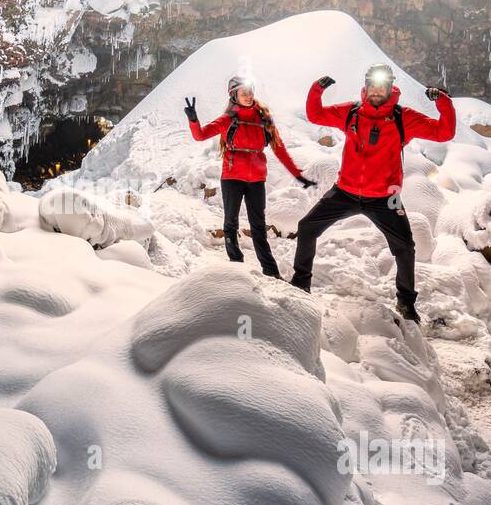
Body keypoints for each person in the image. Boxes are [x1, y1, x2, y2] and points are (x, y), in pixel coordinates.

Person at [290, 62, 455, 322]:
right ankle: (300, 284)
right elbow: (316, 115)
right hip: (344, 191)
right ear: (366, 88)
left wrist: (443, 103)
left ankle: (406, 303)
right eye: (372, 86)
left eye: (382, 86)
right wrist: (316, 90)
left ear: (390, 89)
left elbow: (444, 132)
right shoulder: (351, 113)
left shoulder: (403, 117)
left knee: (405, 248)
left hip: (384, 199)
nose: (377, 91)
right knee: (307, 227)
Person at [185, 75, 312, 277]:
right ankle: (237, 267)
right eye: (243, 93)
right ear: (234, 95)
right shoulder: (228, 119)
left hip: (256, 180)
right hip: (232, 178)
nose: (248, 96)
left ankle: (271, 272)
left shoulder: (263, 119)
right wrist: (193, 119)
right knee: (230, 223)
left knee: (258, 226)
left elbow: (280, 150)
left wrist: (298, 175)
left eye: (250, 92)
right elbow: (200, 135)